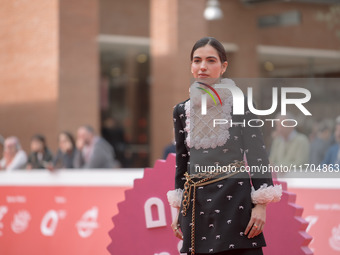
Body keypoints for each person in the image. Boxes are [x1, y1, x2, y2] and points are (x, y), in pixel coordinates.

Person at [167, 37, 282, 255]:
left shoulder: (241, 104)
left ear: (223, 66)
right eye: (197, 60)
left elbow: (257, 155)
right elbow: (182, 164)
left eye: (211, 60)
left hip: (234, 201)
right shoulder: (181, 110)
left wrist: (261, 205)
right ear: (191, 66)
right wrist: (178, 209)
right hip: (196, 205)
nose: (203, 67)